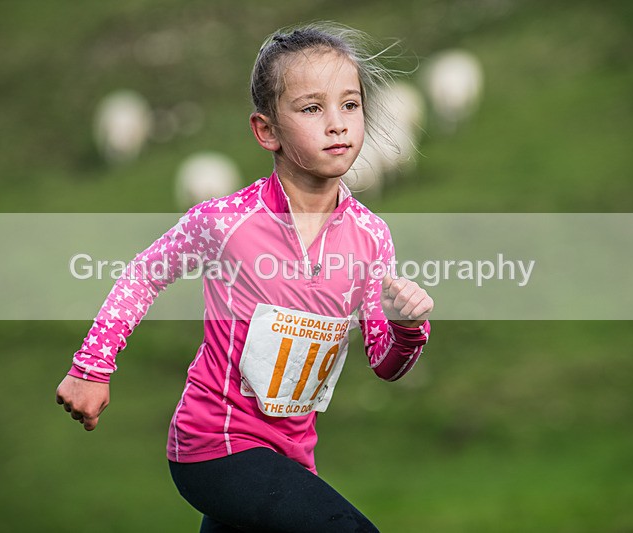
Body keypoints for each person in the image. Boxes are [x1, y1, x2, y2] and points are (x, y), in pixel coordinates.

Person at [56, 22, 434, 533]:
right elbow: (144, 273)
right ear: (266, 131)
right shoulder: (225, 222)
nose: (338, 124)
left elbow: (384, 364)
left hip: (291, 458)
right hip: (214, 447)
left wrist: (406, 327)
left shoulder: (371, 237)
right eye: (311, 108)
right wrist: (91, 368)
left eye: (350, 104)